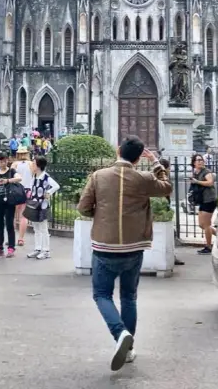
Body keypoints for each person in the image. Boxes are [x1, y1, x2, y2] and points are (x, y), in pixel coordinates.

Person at [77, 136, 172, 372]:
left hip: (104, 247)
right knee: (129, 297)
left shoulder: (99, 176)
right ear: (139, 157)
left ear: (118, 150)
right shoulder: (144, 178)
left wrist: (101, 216)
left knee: (101, 295)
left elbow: (83, 207)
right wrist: (156, 163)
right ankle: (128, 349)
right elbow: (166, 187)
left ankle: (120, 334)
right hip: (134, 247)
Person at [27, 156, 60, 260]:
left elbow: (56, 186)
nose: (31, 165)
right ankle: (38, 248)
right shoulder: (34, 176)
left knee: (43, 228)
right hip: (35, 204)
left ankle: (46, 250)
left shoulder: (46, 177)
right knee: (36, 228)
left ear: (38, 165)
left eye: (33, 163)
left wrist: (49, 192)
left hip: (43, 206)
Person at [0, 153, 22, 258]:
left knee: (9, 224)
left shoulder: (11, 171)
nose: (3, 163)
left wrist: (8, 180)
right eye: (1, 161)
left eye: (5, 161)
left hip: (9, 201)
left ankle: (11, 247)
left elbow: (19, 178)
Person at [190, 153, 217, 255]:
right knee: (202, 224)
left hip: (209, 200)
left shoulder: (206, 171)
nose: (200, 161)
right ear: (194, 163)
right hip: (202, 200)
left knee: (206, 224)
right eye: (198, 160)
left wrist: (197, 181)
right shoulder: (196, 172)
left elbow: (210, 183)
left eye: (201, 160)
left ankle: (208, 247)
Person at [159, 158, 184, 266]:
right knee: (169, 234)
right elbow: (169, 192)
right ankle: (171, 256)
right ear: (168, 168)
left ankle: (170, 256)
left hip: (160, 208)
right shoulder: (165, 180)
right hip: (163, 209)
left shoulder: (153, 178)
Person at [13, 146, 34, 247]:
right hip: (27, 191)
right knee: (23, 216)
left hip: (15, 190)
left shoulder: (15, 164)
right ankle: (21, 238)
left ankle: (11, 236)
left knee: (12, 215)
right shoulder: (31, 164)